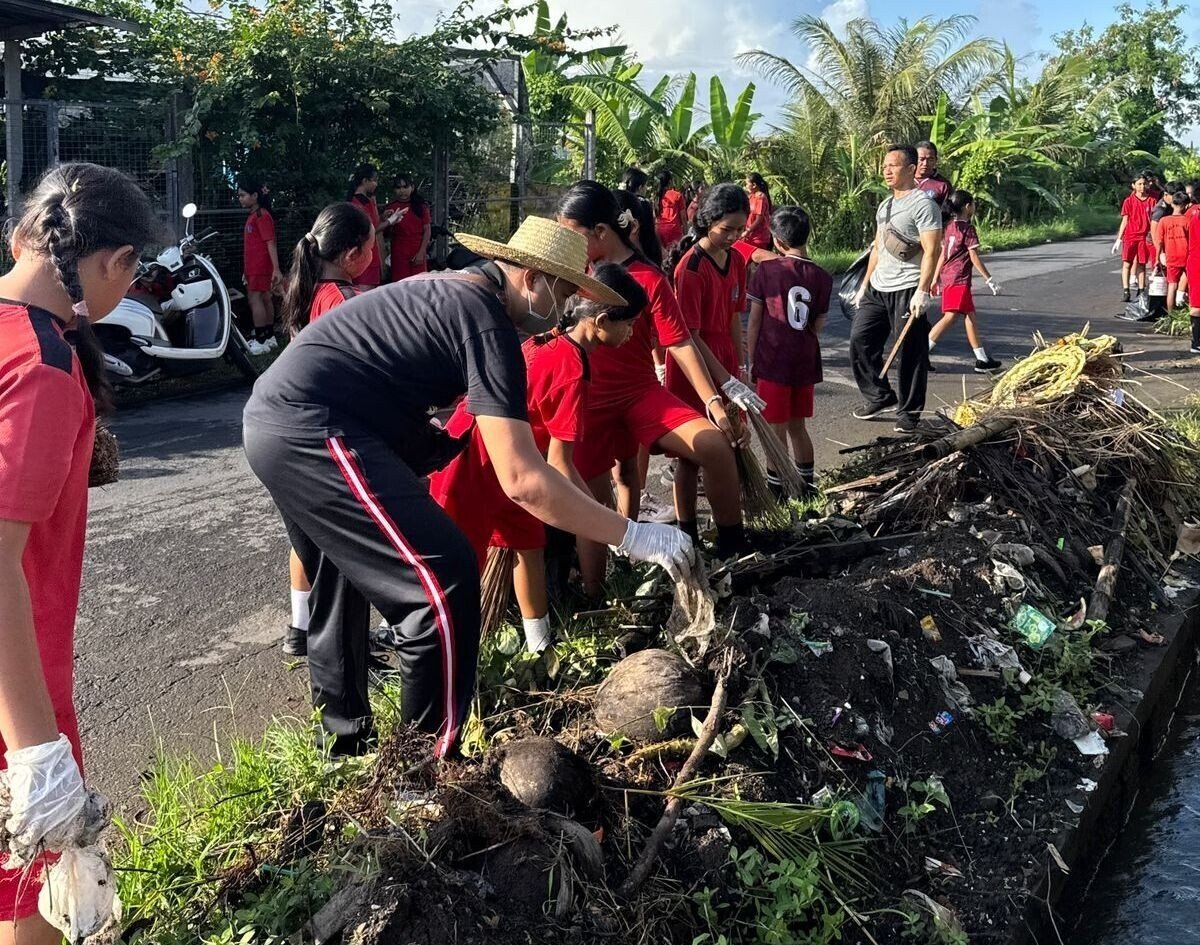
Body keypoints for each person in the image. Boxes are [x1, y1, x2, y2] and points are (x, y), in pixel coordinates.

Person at [243, 216, 695, 757]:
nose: (567, 307)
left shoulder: (453, 289)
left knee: (340, 580)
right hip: (311, 425)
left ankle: (345, 746)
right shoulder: (486, 320)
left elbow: (378, 369)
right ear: (532, 280)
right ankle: (425, 767)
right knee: (444, 578)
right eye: (566, 291)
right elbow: (524, 479)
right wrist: (635, 535)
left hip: (280, 419)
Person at [0, 162, 159, 944]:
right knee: (30, 908)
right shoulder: (44, 371)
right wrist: (34, 752)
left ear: (22, 234)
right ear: (116, 263)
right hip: (15, 688)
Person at [429, 264, 648, 653]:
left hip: (502, 460)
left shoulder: (548, 341)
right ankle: (444, 654)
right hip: (476, 467)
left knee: (528, 547)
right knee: (458, 569)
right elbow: (560, 463)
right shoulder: (572, 369)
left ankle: (538, 645)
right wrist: (608, 522)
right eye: (629, 324)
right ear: (600, 322)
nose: (632, 333)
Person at [556, 181, 755, 586]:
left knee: (715, 447)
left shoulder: (649, 278)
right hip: (586, 401)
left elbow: (680, 343)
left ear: (600, 232)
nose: (567, 243)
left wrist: (715, 403)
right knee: (595, 499)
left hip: (641, 393)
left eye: (572, 234)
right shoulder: (569, 277)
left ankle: (733, 553)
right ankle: (596, 589)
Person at [276, 202, 376, 657]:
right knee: (344, 541)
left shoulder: (306, 291)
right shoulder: (350, 301)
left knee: (306, 535)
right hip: (331, 434)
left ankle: (299, 628)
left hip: (292, 430)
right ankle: (340, 643)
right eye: (373, 245)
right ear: (354, 254)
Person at [666, 183, 765, 540]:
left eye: (740, 229)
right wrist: (723, 379)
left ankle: (727, 521)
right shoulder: (690, 268)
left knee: (733, 439)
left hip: (725, 360)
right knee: (693, 453)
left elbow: (733, 320)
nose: (734, 236)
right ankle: (686, 531)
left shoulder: (737, 259)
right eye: (727, 230)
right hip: (694, 367)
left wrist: (741, 370)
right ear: (707, 221)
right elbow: (689, 335)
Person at [850, 144, 942, 433]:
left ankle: (909, 412)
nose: (886, 170)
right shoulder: (885, 205)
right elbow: (878, 246)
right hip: (879, 287)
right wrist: (865, 285)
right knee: (860, 341)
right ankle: (879, 395)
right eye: (885, 165)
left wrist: (923, 290)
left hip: (907, 288)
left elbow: (932, 249)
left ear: (911, 169)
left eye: (893, 165)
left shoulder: (923, 204)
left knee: (910, 353)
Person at [746, 205, 832, 497]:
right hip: (805, 359)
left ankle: (777, 489)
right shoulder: (822, 276)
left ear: (777, 242)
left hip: (773, 360)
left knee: (775, 430)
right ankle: (807, 487)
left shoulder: (767, 271)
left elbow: (755, 319)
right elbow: (818, 322)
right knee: (799, 426)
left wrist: (750, 359)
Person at [927, 189, 1003, 374]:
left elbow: (942, 255)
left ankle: (982, 359)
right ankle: (921, 351)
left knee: (968, 316)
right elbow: (974, 257)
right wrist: (989, 279)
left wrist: (936, 278)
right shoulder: (968, 229)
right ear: (968, 206)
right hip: (959, 278)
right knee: (951, 317)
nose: (975, 207)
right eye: (974, 204)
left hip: (949, 278)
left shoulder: (950, 227)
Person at [238, 176, 282, 355]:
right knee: (264, 299)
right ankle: (269, 336)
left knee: (255, 300)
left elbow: (270, 242)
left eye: (242, 195)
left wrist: (276, 269)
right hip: (254, 267)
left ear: (254, 196)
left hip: (260, 267)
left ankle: (261, 339)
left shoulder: (261, 216)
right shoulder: (255, 216)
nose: (240, 198)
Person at [1114, 174, 1155, 303]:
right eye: (1139, 184)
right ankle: (1126, 290)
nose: (1142, 187)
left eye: (1144, 184)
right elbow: (1125, 220)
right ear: (1133, 186)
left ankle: (1141, 290)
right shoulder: (1129, 201)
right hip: (1131, 236)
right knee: (1127, 263)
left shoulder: (1152, 200)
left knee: (1141, 265)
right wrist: (1119, 239)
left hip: (1144, 237)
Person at [382, 175, 432, 282]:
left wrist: (421, 252)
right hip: (399, 250)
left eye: (405, 187)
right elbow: (385, 233)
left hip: (417, 248)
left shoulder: (421, 206)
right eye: (398, 188)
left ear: (412, 188)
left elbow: (427, 230)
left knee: (419, 283)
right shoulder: (390, 207)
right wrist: (385, 219)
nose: (402, 191)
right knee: (400, 284)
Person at [347, 164, 384, 287]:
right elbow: (371, 230)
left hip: (372, 255)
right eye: (374, 180)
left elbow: (375, 223)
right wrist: (390, 222)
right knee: (364, 293)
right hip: (363, 257)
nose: (376, 184)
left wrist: (384, 217)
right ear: (365, 181)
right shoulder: (357, 203)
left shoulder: (368, 201)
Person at [1159, 191, 1191, 312]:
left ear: (1172, 204)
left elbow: (1159, 242)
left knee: (1172, 285)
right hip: (1186, 255)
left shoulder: (1164, 221)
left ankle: (1171, 314)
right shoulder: (1188, 221)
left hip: (1171, 256)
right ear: (1187, 205)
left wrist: (1159, 257)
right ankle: (1188, 307)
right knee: (1190, 281)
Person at [915, 141, 951, 213]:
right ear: (914, 159)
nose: (925, 163)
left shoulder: (943, 185)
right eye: (921, 159)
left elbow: (948, 214)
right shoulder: (904, 181)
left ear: (935, 161)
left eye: (930, 159)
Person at [655, 169, 687, 251]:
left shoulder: (657, 196)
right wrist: (686, 234)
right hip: (674, 230)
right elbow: (683, 217)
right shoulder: (677, 195)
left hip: (659, 230)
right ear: (670, 181)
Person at [743, 173, 773, 250]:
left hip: (758, 237)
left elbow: (759, 219)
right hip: (750, 236)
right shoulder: (751, 196)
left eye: (747, 184)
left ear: (754, 185)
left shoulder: (760, 197)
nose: (746, 186)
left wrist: (748, 231)